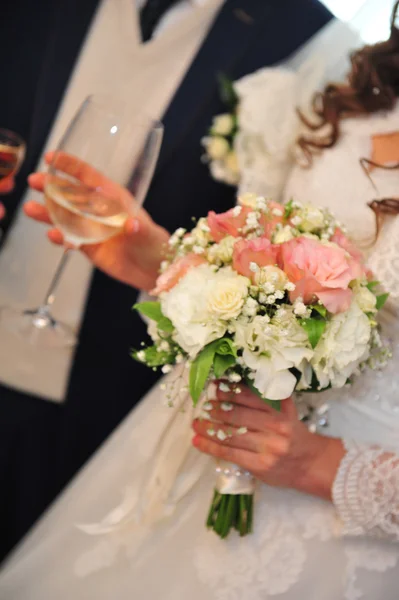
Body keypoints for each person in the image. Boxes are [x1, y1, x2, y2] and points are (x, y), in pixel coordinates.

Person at [0, 4, 398, 599]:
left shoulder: (303, 29)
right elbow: (280, 279)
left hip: (329, 540)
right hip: (195, 456)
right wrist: (163, 264)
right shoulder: (368, 98)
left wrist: (321, 464)